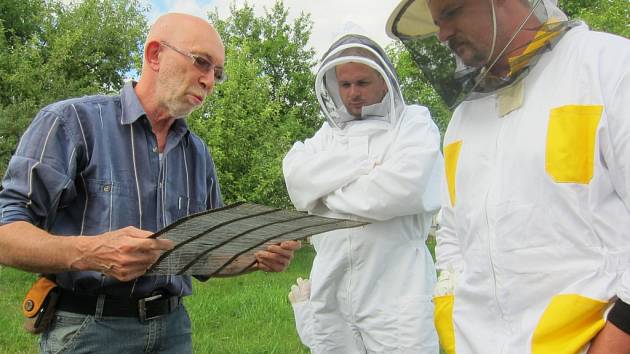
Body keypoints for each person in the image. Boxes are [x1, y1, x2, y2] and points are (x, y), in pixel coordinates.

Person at [0, 13, 300, 354]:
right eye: (201, 62)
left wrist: (255, 256)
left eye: (217, 73)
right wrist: (91, 253)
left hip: (173, 330)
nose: (209, 81)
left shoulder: (197, 153)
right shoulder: (72, 123)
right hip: (89, 330)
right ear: (155, 54)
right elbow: (6, 234)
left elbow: (202, 255)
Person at [387, 0, 630, 353]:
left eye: (451, 12)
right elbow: (453, 234)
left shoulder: (609, 67)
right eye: (437, 22)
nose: (442, 34)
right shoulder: (463, 119)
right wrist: (451, 315)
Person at [283, 34, 443, 353]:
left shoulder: (413, 123)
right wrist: (369, 166)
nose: (353, 93)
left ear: (384, 80)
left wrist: (325, 196)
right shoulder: (326, 136)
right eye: (345, 85)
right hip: (332, 289)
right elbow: (296, 180)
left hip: (397, 295)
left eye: (362, 82)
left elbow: (402, 190)